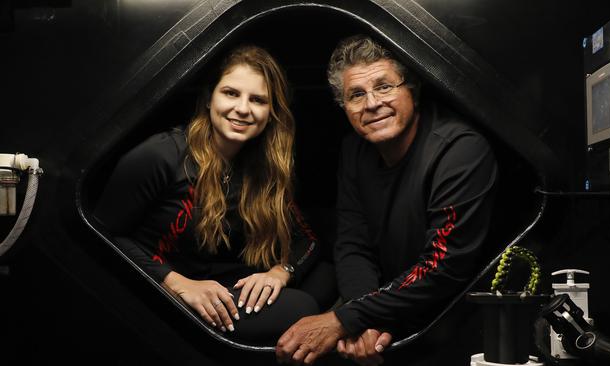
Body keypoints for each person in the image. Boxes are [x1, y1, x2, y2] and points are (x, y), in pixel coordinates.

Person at [276, 35, 498, 365]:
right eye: (356, 95)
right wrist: (363, 319)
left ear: (412, 90)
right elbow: (353, 244)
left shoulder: (460, 151)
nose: (371, 104)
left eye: (384, 87)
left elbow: (442, 270)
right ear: (344, 106)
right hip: (385, 305)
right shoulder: (354, 151)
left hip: (455, 318)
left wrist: (347, 319)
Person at [93, 45, 336, 343]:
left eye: (258, 100)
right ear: (209, 99)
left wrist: (279, 272)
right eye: (231, 93)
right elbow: (101, 235)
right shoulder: (162, 155)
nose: (243, 108)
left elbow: (306, 238)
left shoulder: (259, 166)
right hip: (158, 288)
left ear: (271, 113)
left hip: (216, 279)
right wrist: (178, 283)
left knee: (324, 275)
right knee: (302, 307)